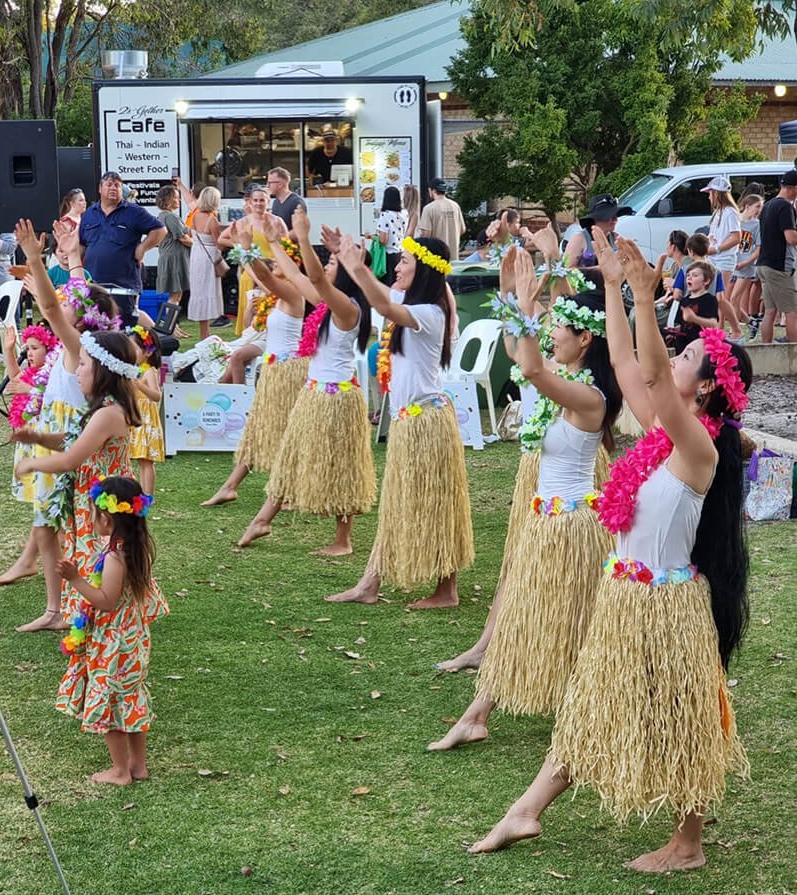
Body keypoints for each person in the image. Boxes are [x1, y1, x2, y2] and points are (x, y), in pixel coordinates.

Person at [468, 232, 751, 876]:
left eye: (688, 360)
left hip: (664, 602)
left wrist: (648, 300)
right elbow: (626, 359)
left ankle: (687, 843)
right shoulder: (658, 434)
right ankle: (528, 808)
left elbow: (648, 368)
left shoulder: (699, 451)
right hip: (626, 595)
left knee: (683, 718)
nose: (673, 361)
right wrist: (620, 292)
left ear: (705, 391)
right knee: (596, 699)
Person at [429, 248, 620, 747]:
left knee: (573, 623)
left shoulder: (590, 398)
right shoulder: (569, 381)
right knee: (525, 615)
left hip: (572, 528)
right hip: (548, 522)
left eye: (561, 330)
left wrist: (525, 307)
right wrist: (519, 303)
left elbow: (533, 370)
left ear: (585, 340)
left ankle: (602, 709)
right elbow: (522, 356)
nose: (553, 334)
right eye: (550, 329)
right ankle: (478, 713)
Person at [325, 234, 474, 609]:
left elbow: (381, 304)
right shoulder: (410, 300)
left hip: (428, 424)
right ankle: (369, 584)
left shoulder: (431, 312)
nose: (397, 266)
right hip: (410, 424)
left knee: (437, 504)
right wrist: (346, 261)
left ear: (423, 268)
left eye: (405, 261)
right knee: (397, 503)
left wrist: (355, 265)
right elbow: (381, 296)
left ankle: (447, 590)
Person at [0, 220, 121, 630]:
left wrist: (35, 256)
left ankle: (79, 605)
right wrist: (70, 258)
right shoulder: (77, 347)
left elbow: (56, 307)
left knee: (70, 529)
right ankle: (57, 607)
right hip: (53, 435)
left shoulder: (77, 349)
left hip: (66, 447)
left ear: (83, 318)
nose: (62, 304)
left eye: (72, 303)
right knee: (47, 526)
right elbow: (71, 299)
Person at [237, 207, 376, 554]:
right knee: (291, 453)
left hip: (336, 398)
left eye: (332, 266)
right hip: (314, 394)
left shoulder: (348, 309)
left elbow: (313, 280)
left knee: (341, 465)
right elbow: (296, 278)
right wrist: (272, 242)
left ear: (342, 276)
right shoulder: (327, 305)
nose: (326, 269)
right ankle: (263, 518)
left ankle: (343, 540)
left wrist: (302, 236)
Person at [56, 475, 167, 786]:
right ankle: (138, 765)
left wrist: (75, 579)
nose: (91, 519)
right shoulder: (135, 548)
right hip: (133, 641)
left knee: (111, 701)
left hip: (114, 644)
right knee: (130, 697)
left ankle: (120, 771)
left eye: (94, 513)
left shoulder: (116, 558)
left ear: (106, 517)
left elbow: (106, 601)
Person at [201, 216, 310, 507]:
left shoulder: (293, 292)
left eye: (278, 264)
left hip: (289, 372)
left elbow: (264, 277)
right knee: (259, 428)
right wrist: (240, 246)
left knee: (284, 431)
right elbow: (259, 273)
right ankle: (231, 485)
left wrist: (247, 247)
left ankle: (290, 489)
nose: (274, 267)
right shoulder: (281, 293)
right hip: (275, 370)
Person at [79, 172, 165, 325]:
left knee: (124, 327)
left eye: (117, 185)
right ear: (100, 188)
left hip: (123, 285)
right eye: (109, 185)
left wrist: (143, 247)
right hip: (94, 284)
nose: (113, 188)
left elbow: (160, 230)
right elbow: (82, 245)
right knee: (95, 327)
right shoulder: (88, 215)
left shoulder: (134, 212)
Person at [3, 325, 60, 507]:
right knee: (37, 490)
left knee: (47, 488)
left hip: (44, 437)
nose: (29, 353)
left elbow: (54, 397)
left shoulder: (52, 374)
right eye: (27, 348)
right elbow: (15, 375)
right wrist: (9, 349)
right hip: (30, 437)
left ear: (49, 350)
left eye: (35, 348)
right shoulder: (30, 373)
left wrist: (30, 390)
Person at [218, 183, 278, 336]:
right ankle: (247, 336)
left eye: (262, 200)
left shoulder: (276, 221)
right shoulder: (244, 222)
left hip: (273, 270)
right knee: (250, 306)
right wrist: (240, 246)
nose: (258, 203)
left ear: (268, 201)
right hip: (250, 269)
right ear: (250, 202)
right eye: (255, 200)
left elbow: (286, 245)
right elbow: (222, 238)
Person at [756, 169, 797, 344]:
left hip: (763, 264)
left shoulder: (768, 205)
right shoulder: (785, 206)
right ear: (793, 188)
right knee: (791, 312)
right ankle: (794, 352)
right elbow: (790, 238)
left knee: (770, 312)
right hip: (778, 266)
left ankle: (766, 348)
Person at [701, 176, 744, 341]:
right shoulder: (718, 212)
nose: (708, 196)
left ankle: (735, 329)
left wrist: (717, 248)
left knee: (721, 296)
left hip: (724, 258)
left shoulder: (730, 212)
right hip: (715, 257)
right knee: (717, 296)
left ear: (717, 193)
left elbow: (736, 237)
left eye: (710, 192)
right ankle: (721, 329)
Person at [127, 326, 164, 496]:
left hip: (147, 419)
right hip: (136, 417)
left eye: (134, 348)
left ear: (148, 352)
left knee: (146, 461)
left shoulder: (149, 371)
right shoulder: (135, 370)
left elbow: (157, 396)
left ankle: (148, 494)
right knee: (141, 460)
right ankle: (142, 492)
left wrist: (139, 385)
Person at [188, 187, 225, 341]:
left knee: (199, 291)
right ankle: (206, 334)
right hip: (209, 258)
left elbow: (191, 234)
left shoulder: (195, 215)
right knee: (209, 290)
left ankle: (204, 331)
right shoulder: (213, 220)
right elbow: (220, 244)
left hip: (196, 255)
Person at [564, 194, 632, 276]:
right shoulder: (579, 239)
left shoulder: (616, 238)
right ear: (596, 218)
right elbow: (567, 270)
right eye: (610, 216)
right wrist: (599, 268)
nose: (615, 220)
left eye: (616, 216)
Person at [730, 194, 764, 335]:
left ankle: (736, 330)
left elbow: (758, 249)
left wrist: (746, 262)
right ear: (747, 205)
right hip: (733, 264)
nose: (759, 210)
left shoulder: (757, 225)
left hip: (747, 267)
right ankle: (751, 322)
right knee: (729, 300)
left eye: (760, 207)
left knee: (734, 298)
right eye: (757, 206)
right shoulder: (736, 221)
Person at [154, 185, 191, 311]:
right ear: (169, 200)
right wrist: (200, 246)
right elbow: (183, 239)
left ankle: (174, 327)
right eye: (176, 198)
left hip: (169, 257)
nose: (179, 200)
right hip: (174, 260)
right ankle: (171, 328)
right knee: (175, 295)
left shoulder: (162, 216)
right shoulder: (170, 217)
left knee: (177, 294)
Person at [672, 261, 720, 353]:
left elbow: (713, 324)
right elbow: (679, 324)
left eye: (695, 275)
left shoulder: (710, 299)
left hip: (700, 347)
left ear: (706, 281)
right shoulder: (684, 300)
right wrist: (672, 331)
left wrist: (694, 318)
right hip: (683, 347)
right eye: (688, 275)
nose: (689, 277)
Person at [418, 178, 466, 261]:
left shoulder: (429, 208)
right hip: (453, 254)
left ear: (432, 191)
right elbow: (463, 229)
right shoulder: (455, 206)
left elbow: (426, 234)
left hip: (436, 255)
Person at [374, 186, 407, 285]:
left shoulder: (385, 215)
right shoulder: (404, 213)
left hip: (389, 256)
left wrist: (373, 237)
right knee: (399, 283)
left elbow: (383, 240)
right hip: (401, 253)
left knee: (389, 285)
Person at [267, 167, 307, 238]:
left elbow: (299, 230)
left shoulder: (296, 202)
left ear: (280, 184)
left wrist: (281, 238)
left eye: (270, 183)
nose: (268, 186)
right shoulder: (276, 202)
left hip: (291, 247)